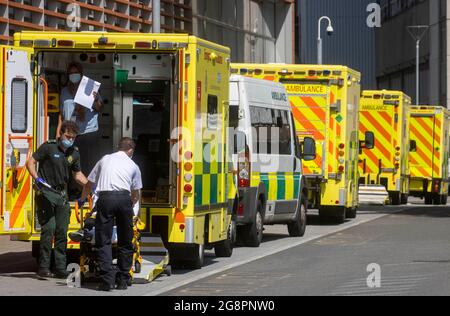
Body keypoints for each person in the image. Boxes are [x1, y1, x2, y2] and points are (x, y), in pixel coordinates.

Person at [26, 121, 88, 279]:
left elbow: (77, 175)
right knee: (49, 229)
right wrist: (37, 179)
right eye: (68, 136)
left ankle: (60, 267)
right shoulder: (48, 147)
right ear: (60, 133)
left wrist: (90, 185)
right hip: (45, 192)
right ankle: (44, 267)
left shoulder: (74, 153)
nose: (70, 140)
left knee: (62, 231)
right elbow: (31, 162)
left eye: (73, 138)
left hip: (62, 195)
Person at [80, 137, 142, 291]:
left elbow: (89, 183)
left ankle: (107, 281)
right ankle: (122, 280)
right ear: (131, 150)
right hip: (124, 199)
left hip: (105, 199)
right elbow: (136, 193)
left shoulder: (105, 159)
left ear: (118, 147)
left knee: (104, 240)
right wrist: (131, 204)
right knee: (126, 241)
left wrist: (81, 200)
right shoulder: (133, 165)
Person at [56, 62, 103, 175]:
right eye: (71, 73)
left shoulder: (89, 88)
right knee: (70, 164)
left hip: (88, 133)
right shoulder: (64, 92)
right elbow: (61, 115)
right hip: (70, 135)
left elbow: (100, 108)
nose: (73, 75)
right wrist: (58, 134)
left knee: (88, 165)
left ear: (81, 74)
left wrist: (94, 98)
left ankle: (88, 191)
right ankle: (73, 190)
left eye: (76, 72)